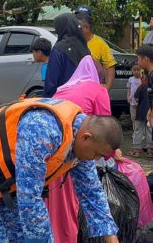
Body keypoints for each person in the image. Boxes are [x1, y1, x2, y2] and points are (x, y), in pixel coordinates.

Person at [0, 97, 121, 243]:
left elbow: (91, 192)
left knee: (20, 236)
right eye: (97, 154)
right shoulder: (42, 132)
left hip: (3, 181)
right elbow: (29, 198)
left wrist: (111, 237)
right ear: (86, 138)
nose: (95, 160)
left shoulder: (82, 144)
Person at [47, 56, 113, 242]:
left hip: (52, 160)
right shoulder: (99, 90)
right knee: (68, 209)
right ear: (100, 79)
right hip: (72, 154)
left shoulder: (63, 89)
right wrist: (111, 155)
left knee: (51, 208)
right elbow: (105, 130)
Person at [43, 13, 90, 97]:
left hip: (63, 100)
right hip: (84, 98)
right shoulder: (84, 48)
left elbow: (51, 81)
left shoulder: (59, 49)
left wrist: (47, 99)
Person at [74, 6, 116, 90]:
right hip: (74, 91)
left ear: (88, 25)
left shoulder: (100, 44)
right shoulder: (70, 42)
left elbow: (110, 67)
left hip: (93, 91)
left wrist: (106, 89)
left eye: (83, 20)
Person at [131, 71, 153, 158]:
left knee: (138, 130)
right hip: (151, 112)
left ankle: (136, 150)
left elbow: (136, 98)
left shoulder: (142, 86)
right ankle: (150, 150)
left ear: (144, 78)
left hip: (140, 112)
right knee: (150, 130)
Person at [126, 64, 144, 156]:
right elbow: (129, 89)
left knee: (140, 119)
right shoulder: (130, 79)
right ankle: (135, 132)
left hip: (140, 103)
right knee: (133, 118)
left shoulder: (142, 80)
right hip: (132, 102)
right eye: (134, 70)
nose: (136, 72)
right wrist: (128, 96)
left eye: (138, 70)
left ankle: (141, 134)